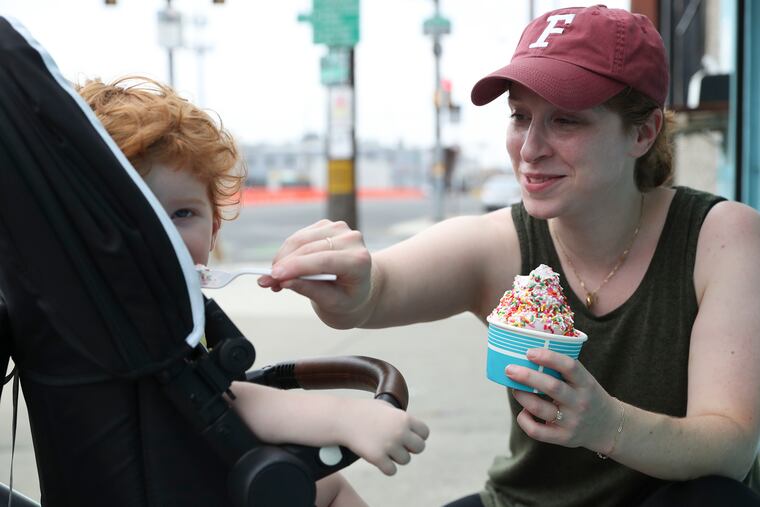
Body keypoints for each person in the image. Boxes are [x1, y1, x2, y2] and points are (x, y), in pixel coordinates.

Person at [258, 5, 760, 507]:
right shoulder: (504, 242)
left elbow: (730, 449)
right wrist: (351, 287)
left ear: (643, 132)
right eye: (520, 116)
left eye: (566, 121)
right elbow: (379, 288)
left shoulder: (719, 238)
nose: (530, 148)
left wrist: (607, 425)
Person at [77, 76, 429, 507]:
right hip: (172, 485)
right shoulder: (123, 323)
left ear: (213, 229)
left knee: (327, 488)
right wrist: (346, 417)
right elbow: (224, 402)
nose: (164, 235)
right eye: (136, 214)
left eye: (183, 213)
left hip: (175, 474)